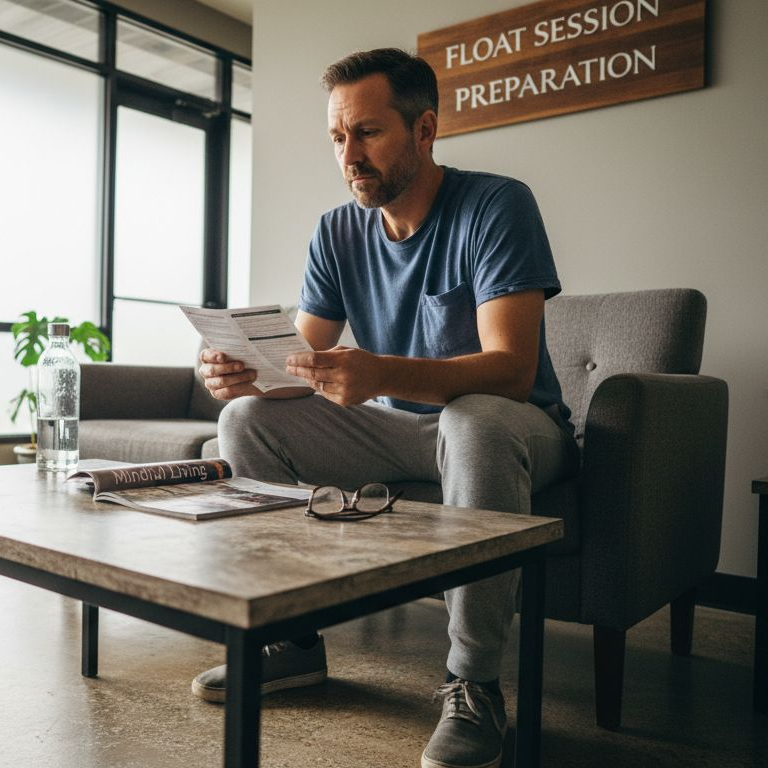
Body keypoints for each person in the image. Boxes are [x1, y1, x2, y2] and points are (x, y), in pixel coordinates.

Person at [190, 48, 580, 768]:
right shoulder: (338, 231)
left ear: (425, 128)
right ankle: (294, 640)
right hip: (403, 432)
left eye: (367, 133)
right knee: (245, 422)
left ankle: (474, 684)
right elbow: (299, 365)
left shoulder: (496, 205)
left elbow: (513, 373)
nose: (350, 156)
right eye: (338, 139)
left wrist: (376, 372)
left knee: (473, 420)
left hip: (517, 427)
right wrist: (244, 374)